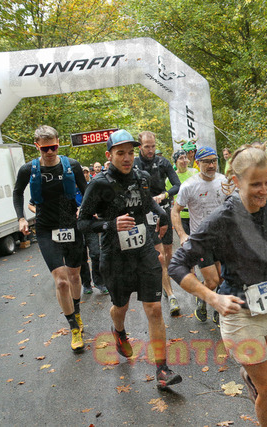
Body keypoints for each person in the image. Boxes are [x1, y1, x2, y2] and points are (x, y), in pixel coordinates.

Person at [169, 146, 267, 427]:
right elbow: (177, 265)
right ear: (236, 182)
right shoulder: (220, 219)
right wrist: (212, 298)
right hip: (239, 310)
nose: (264, 190)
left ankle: (250, 375)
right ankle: (260, 383)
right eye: (255, 184)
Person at [78, 129, 182, 389]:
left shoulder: (141, 177)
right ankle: (119, 332)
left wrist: (163, 215)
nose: (126, 158)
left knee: (154, 308)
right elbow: (82, 223)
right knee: (120, 307)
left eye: (130, 152)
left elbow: (147, 205)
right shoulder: (99, 184)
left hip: (143, 250)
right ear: (109, 155)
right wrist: (110, 224)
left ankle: (162, 369)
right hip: (115, 256)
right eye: (120, 153)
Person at [12, 125, 88, 352]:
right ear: (37, 146)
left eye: (53, 147)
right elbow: (17, 192)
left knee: (74, 276)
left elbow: (86, 190)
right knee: (61, 281)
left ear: (58, 143)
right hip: (46, 228)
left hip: (70, 225)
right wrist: (21, 218)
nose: (50, 152)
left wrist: (83, 209)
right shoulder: (28, 169)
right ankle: (73, 328)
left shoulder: (72, 165)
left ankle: (77, 311)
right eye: (45, 148)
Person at [171, 147, 228, 322]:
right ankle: (203, 297)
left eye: (214, 161)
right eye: (207, 162)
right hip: (201, 240)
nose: (211, 165)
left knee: (223, 277)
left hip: (222, 238)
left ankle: (218, 311)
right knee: (212, 281)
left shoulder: (224, 181)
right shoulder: (189, 185)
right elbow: (175, 211)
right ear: (197, 163)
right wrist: (182, 235)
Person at [134, 131, 182, 315]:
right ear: (140, 147)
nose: (150, 150)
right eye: (147, 146)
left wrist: (165, 194)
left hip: (163, 210)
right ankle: (171, 295)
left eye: (153, 146)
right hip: (146, 213)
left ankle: (164, 280)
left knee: (168, 252)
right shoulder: (134, 164)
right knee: (160, 255)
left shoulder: (163, 162)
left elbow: (177, 184)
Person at [77, 166, 108, 295]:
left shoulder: (92, 186)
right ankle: (86, 284)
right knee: (81, 256)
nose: (84, 175)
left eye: (85, 172)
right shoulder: (69, 188)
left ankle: (99, 282)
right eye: (81, 173)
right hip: (76, 227)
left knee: (96, 254)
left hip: (90, 225)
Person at [166, 150, 198, 235]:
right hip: (180, 216)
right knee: (186, 241)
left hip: (195, 214)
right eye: (181, 158)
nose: (184, 160)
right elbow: (168, 198)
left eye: (185, 157)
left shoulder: (194, 172)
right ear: (176, 162)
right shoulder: (171, 178)